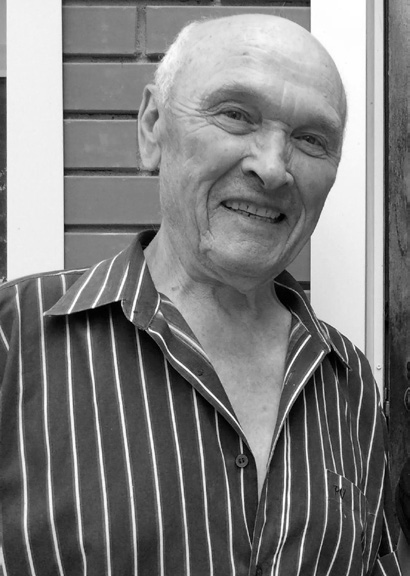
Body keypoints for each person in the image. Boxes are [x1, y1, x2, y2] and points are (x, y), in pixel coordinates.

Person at [0, 14, 403, 576]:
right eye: (236, 114)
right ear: (152, 127)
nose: (272, 168)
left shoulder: (349, 382)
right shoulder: (14, 340)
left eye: (312, 139)